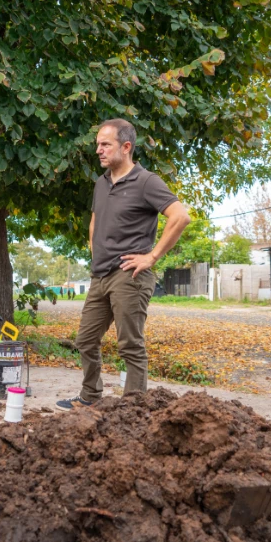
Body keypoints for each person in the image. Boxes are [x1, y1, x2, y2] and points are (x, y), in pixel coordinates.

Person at [56, 119, 190, 411]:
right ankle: (90, 396)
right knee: (85, 340)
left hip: (130, 275)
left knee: (130, 345)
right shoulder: (101, 183)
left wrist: (151, 257)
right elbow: (95, 220)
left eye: (105, 144)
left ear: (126, 147)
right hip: (100, 275)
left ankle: (133, 409)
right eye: (97, 145)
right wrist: (95, 250)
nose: (98, 150)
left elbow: (180, 216)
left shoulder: (147, 181)